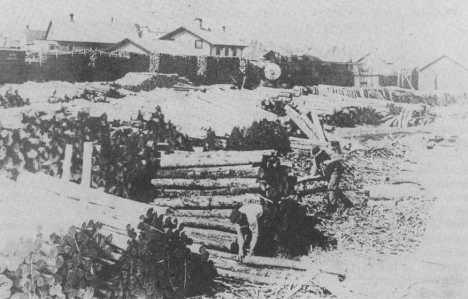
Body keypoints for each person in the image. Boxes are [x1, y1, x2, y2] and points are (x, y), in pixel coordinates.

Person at [310, 145, 351, 213]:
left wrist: (330, 161)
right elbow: (315, 167)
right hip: (328, 172)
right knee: (334, 187)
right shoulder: (315, 157)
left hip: (336, 170)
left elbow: (340, 157)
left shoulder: (327, 152)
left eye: (319, 155)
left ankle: (332, 208)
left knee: (331, 187)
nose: (318, 156)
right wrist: (312, 175)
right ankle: (347, 203)